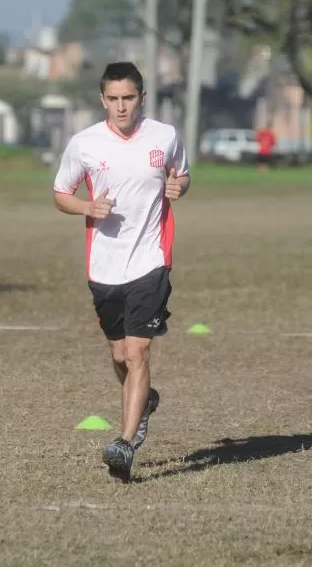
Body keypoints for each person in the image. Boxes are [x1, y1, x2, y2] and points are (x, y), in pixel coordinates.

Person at [53, 62, 190, 482]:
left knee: (138, 352)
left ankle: (126, 444)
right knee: (119, 355)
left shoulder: (164, 136)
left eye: (128, 98)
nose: (121, 107)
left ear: (142, 98)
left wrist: (179, 187)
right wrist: (87, 207)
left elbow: (181, 175)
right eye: (112, 99)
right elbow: (61, 194)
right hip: (104, 265)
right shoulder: (84, 143)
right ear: (102, 100)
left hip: (150, 260)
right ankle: (143, 400)